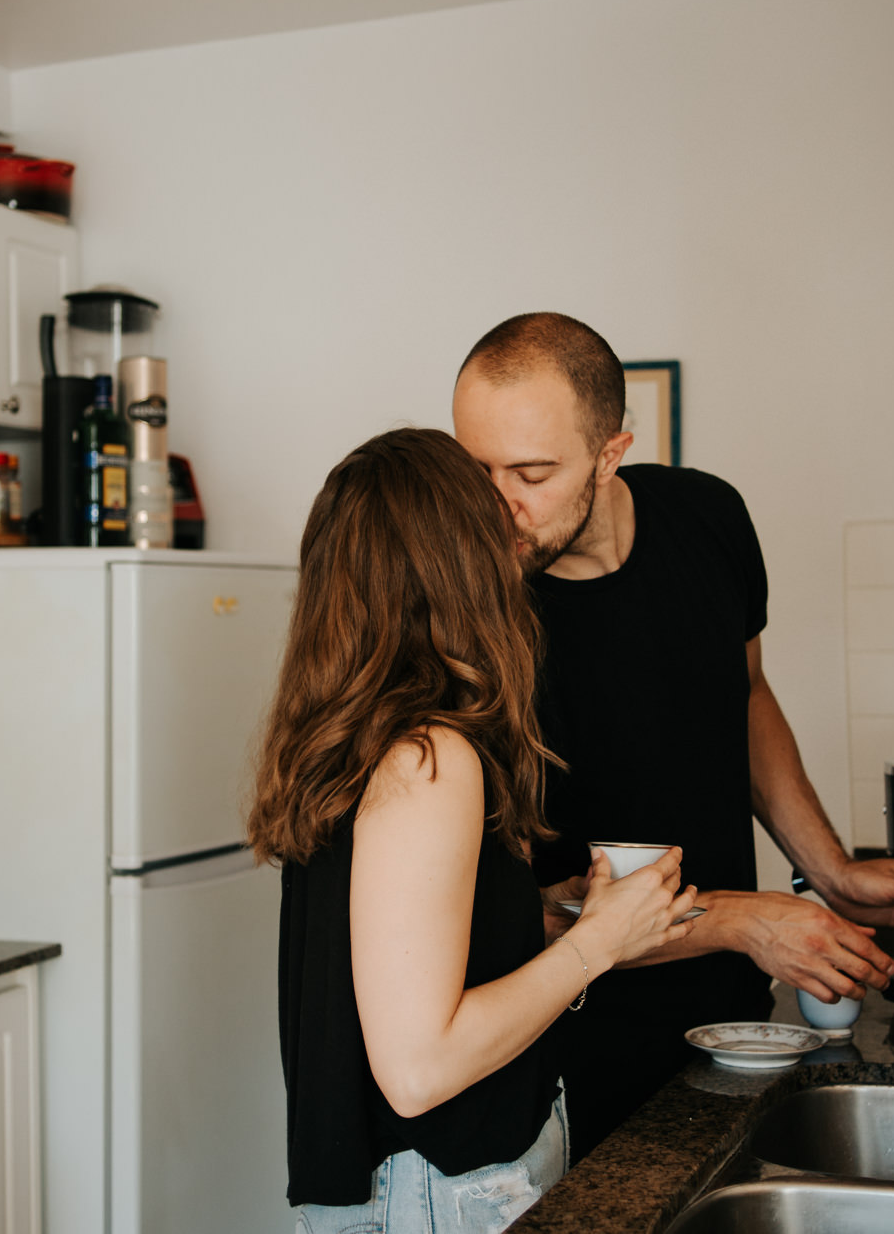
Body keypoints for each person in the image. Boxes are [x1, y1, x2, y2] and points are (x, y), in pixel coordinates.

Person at [450, 312, 894, 1158]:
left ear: (611, 453)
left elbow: (745, 691)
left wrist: (828, 870)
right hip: (565, 1062)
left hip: (734, 1026)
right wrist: (744, 918)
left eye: (532, 472)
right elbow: (526, 918)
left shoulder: (710, 518)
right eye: (475, 469)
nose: (493, 504)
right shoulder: (476, 620)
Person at [248, 427, 701, 1233]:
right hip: (441, 1194)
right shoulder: (429, 757)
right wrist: (599, 943)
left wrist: (535, 912)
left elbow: (396, 958)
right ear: (459, 563)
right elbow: (419, 1069)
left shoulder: (364, 735)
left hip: (422, 1189)